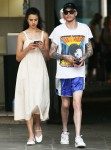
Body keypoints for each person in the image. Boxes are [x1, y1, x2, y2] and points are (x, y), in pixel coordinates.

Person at [49, 2, 93, 148]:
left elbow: (90, 50)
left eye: (71, 11)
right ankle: (65, 131)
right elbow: (51, 53)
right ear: (64, 14)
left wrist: (83, 58)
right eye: (66, 12)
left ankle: (78, 136)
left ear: (75, 13)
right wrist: (65, 57)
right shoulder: (57, 30)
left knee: (77, 103)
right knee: (66, 104)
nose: (68, 14)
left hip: (78, 73)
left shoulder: (84, 29)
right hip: (63, 73)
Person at [14, 7, 50, 145]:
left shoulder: (44, 35)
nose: (33, 22)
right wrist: (28, 48)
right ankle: (30, 135)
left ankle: (38, 126)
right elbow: (18, 57)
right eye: (31, 20)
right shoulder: (22, 35)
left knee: (38, 99)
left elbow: (47, 57)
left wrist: (43, 48)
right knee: (28, 99)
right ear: (27, 20)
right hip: (26, 69)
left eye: (35, 20)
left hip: (40, 69)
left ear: (38, 20)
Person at [88, 13, 102, 81]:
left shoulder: (94, 25)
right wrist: (97, 42)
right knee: (92, 62)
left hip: (94, 45)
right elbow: (92, 37)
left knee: (93, 61)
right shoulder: (92, 26)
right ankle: (90, 77)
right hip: (93, 46)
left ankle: (90, 77)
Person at [100, 15, 111, 83]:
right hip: (106, 49)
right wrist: (107, 45)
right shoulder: (103, 30)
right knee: (107, 63)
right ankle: (107, 77)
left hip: (109, 48)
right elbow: (102, 39)